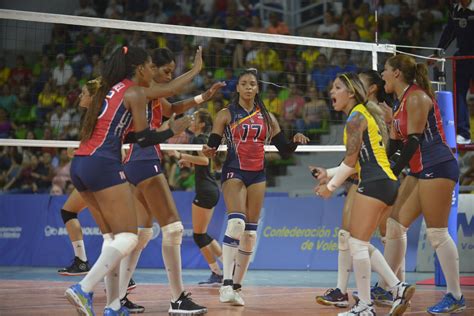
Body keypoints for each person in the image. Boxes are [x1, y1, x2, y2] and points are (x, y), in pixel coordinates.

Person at [64, 46, 195, 316]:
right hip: (102, 164)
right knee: (128, 237)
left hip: (80, 164)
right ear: (140, 68)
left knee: (112, 238)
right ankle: (84, 288)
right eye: (149, 65)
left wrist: (168, 128)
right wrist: (197, 72)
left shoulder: (108, 90)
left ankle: (113, 306)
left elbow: (135, 137)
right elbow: (157, 118)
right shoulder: (133, 90)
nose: (151, 70)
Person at [122, 47, 223, 315]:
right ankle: (177, 298)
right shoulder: (145, 89)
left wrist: (203, 97)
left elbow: (172, 107)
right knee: (174, 229)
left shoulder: (152, 95)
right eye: (165, 71)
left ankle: (118, 295)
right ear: (150, 68)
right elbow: (172, 94)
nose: (169, 76)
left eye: (171, 72)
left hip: (134, 161)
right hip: (144, 159)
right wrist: (197, 69)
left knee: (141, 234)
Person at [202, 68, 309, 306]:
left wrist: (296, 140)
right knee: (237, 222)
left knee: (250, 234)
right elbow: (212, 143)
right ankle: (226, 284)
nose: (249, 87)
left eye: (252, 84)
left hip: (258, 175)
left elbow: (284, 149)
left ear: (257, 88)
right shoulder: (225, 114)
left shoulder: (267, 117)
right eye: (244, 83)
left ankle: (237, 287)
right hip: (234, 171)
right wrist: (208, 150)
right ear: (238, 88)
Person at [314, 72, 415, 316]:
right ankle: (397, 287)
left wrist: (330, 188)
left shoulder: (355, 118)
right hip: (387, 182)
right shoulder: (363, 114)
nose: (331, 93)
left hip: (375, 183)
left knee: (356, 244)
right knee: (358, 242)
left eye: (337, 88)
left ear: (350, 93)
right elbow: (357, 163)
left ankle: (365, 306)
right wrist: (328, 173)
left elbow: (350, 162)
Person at [382, 55, 466, 314]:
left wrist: (391, 173)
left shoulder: (417, 97)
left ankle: (455, 295)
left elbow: (414, 142)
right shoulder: (399, 103)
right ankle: (389, 286)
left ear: (396, 73)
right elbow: (397, 144)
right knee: (395, 225)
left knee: (437, 233)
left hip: (437, 166)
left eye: (385, 70)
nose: (382, 74)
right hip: (420, 170)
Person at [58, 77, 143, 313]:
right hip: (97, 170)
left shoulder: (107, 114)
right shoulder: (96, 116)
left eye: (84, 92)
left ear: (94, 96)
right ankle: (112, 302)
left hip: (105, 173)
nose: (81, 97)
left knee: (122, 236)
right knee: (115, 237)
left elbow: (123, 140)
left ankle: (86, 272)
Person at [169, 108, 224, 286]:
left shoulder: (200, 139)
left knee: (199, 236)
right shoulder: (205, 138)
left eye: (195, 119)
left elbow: (205, 161)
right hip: (210, 189)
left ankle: (217, 273)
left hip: (206, 191)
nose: (191, 121)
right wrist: (189, 161)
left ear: (201, 124)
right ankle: (230, 267)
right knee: (203, 234)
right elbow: (203, 165)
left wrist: (180, 155)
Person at [430, 0, 474, 144]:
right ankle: (464, 134)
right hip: (463, 58)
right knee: (459, 94)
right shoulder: (455, 10)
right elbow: (449, 32)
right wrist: (437, 53)